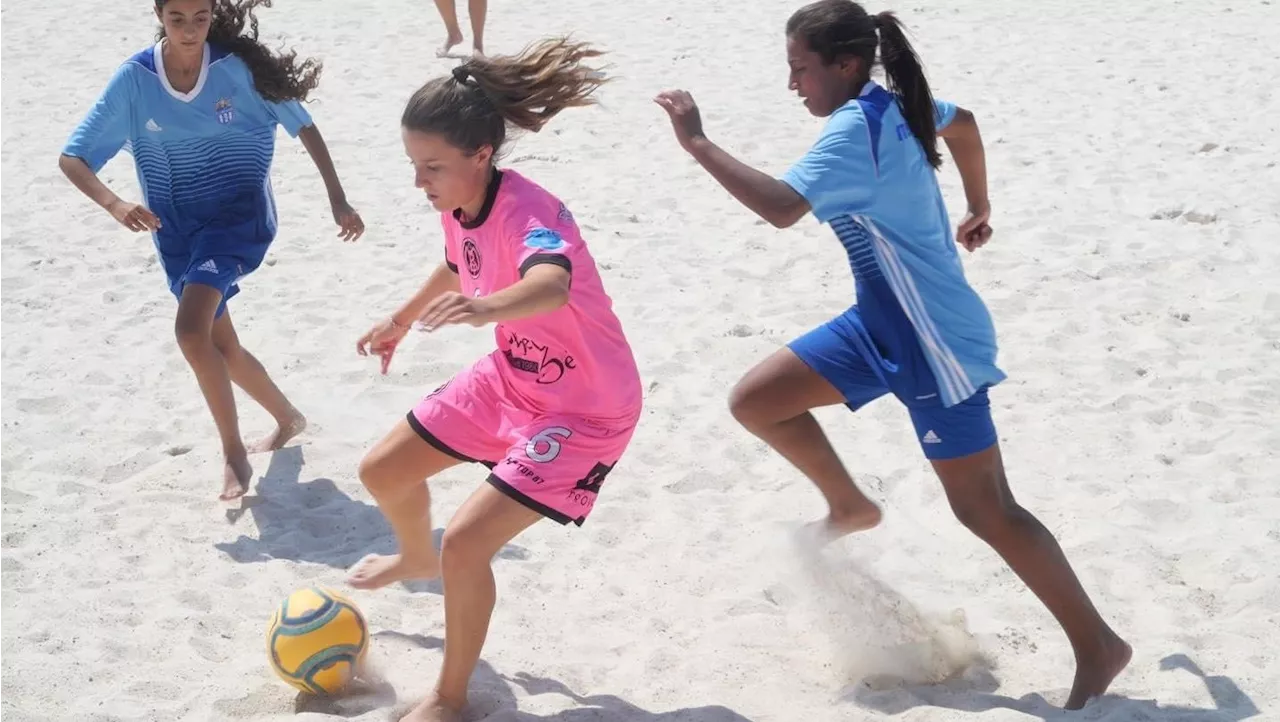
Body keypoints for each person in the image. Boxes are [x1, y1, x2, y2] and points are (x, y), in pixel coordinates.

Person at [654, 0, 1129, 710]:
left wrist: (697, 142)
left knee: (988, 511)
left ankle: (1099, 645)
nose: (794, 86)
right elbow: (962, 122)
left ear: (846, 64)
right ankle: (849, 505)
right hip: (878, 324)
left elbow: (782, 208)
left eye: (800, 69)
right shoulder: (896, 101)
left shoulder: (856, 128)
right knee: (757, 401)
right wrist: (979, 203)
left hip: (935, 339)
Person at [348, 38, 642, 722]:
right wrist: (400, 318)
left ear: (480, 155)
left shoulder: (529, 212)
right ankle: (415, 555)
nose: (421, 183)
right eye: (414, 166)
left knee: (470, 542)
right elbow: (458, 264)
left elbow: (550, 284)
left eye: (432, 167)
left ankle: (450, 700)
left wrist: (485, 309)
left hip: (586, 411)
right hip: (513, 377)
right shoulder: (461, 205)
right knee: (383, 471)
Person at [58, 0, 364, 501]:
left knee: (189, 331)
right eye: (177, 17)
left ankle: (232, 452)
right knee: (221, 346)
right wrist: (115, 205)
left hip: (237, 219)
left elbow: (302, 124)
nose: (189, 29)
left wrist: (337, 197)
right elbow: (73, 158)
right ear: (159, 14)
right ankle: (288, 417)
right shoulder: (134, 80)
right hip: (175, 231)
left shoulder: (236, 69)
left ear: (211, 15)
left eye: (200, 17)